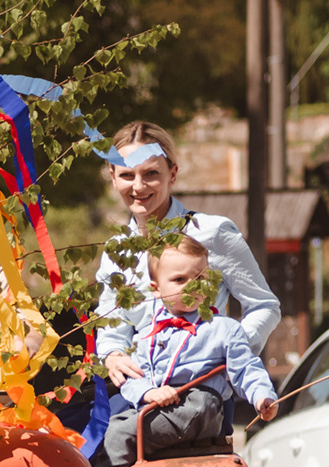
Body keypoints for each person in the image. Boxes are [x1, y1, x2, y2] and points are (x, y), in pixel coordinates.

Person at [93, 121, 281, 390]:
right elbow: (112, 327)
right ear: (113, 177)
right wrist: (113, 355)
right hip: (143, 392)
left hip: (203, 391)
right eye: (127, 175)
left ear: (172, 174)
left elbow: (264, 305)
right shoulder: (116, 251)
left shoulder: (212, 232)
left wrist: (228, 350)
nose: (138, 186)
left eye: (151, 173)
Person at [96, 237, 278, 467]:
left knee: (120, 436)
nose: (192, 286)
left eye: (200, 278)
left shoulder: (223, 328)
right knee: (108, 431)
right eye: (180, 279)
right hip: (160, 408)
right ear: (156, 288)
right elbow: (134, 376)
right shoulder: (147, 335)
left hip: (201, 407)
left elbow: (246, 368)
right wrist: (149, 392)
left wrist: (262, 396)